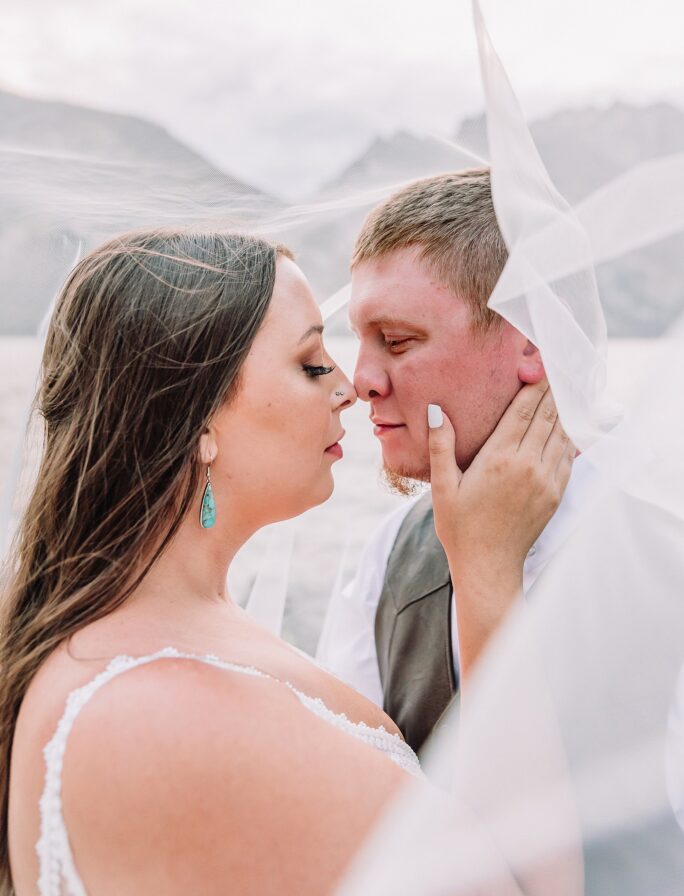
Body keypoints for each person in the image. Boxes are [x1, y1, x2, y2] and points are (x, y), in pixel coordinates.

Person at [0, 228, 573, 896]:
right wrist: (486, 577)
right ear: (201, 420)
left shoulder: (174, 639)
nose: (350, 387)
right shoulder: (161, 713)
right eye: (309, 364)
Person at [319, 166, 590, 754]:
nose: (360, 380)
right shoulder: (390, 555)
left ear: (532, 341)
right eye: (357, 341)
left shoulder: (655, 535)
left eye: (395, 341)